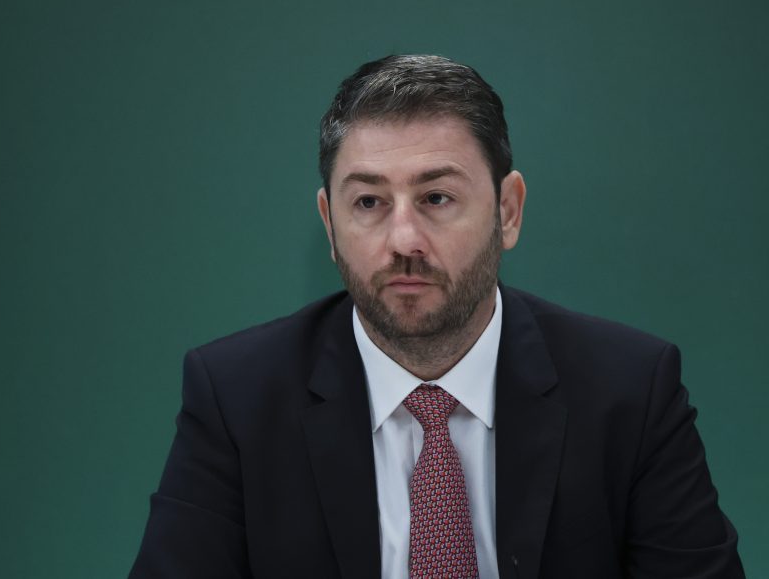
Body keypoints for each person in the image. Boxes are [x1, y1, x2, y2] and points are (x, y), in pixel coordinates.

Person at [129, 55, 743, 578]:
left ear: (508, 211)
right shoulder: (236, 398)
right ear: (330, 226)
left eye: (437, 198)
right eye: (369, 202)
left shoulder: (631, 391)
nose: (404, 240)